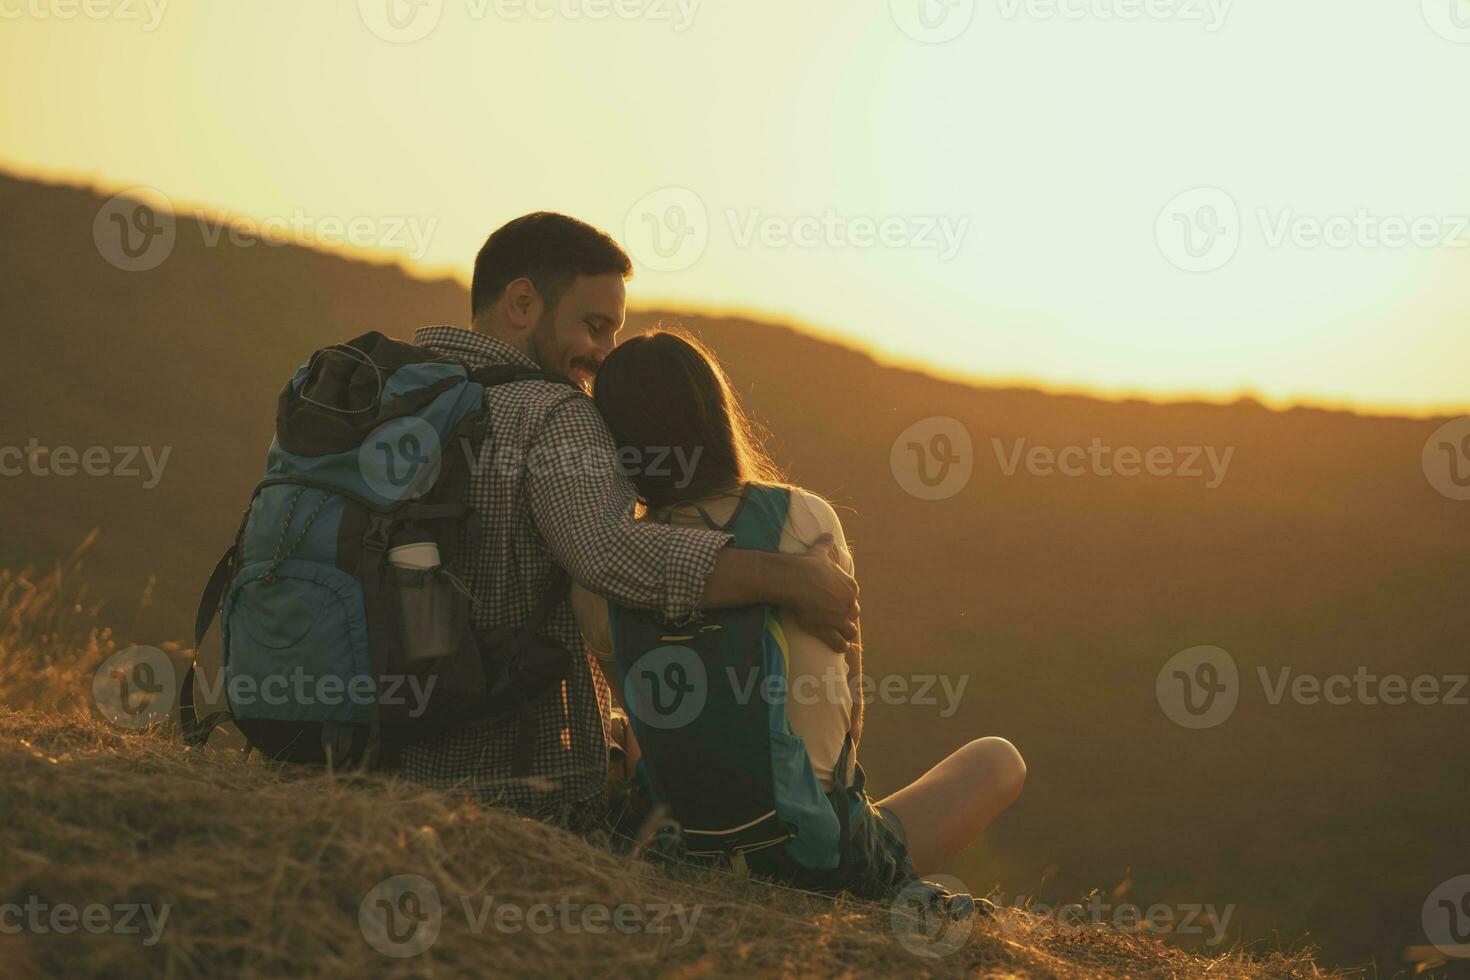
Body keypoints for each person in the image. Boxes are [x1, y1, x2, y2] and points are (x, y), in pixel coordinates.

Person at [393, 214, 859, 830]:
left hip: (378, 751)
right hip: (507, 782)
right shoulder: (553, 412)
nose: (604, 355)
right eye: (595, 328)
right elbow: (607, 552)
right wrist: (792, 579)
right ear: (523, 302)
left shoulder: (390, 391)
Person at [572, 328, 1026, 890]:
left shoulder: (599, 575)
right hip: (822, 859)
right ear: (716, 416)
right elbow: (847, 714)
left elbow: (646, 729)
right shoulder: (804, 521)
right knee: (998, 761)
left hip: (687, 853)